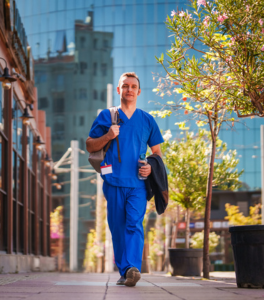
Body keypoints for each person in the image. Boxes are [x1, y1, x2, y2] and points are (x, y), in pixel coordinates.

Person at [86, 72, 164, 287]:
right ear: (119, 90)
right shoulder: (106, 116)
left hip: (138, 184)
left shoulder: (147, 120)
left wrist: (150, 166)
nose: (129, 89)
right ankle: (125, 270)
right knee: (117, 227)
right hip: (113, 181)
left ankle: (132, 268)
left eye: (133, 86)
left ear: (139, 91)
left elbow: (156, 153)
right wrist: (108, 136)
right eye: (125, 86)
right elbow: (90, 145)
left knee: (134, 224)